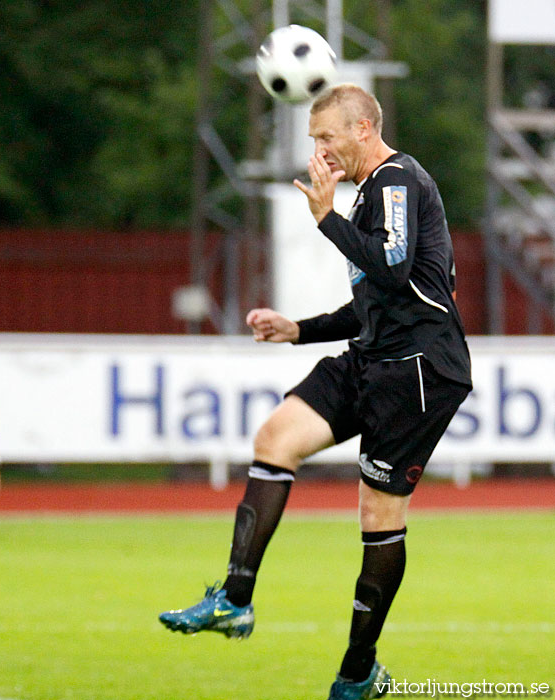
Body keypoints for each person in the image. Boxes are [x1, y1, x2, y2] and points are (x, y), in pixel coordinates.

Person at [159, 84, 472, 700]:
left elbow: (393, 266)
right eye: (313, 141)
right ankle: (234, 599)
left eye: (326, 138)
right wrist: (298, 330)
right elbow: (370, 304)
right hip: (374, 356)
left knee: (378, 517)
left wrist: (326, 219)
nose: (319, 153)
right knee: (276, 437)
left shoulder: (397, 179)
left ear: (362, 130)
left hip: (418, 371)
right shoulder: (365, 201)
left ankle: (358, 672)